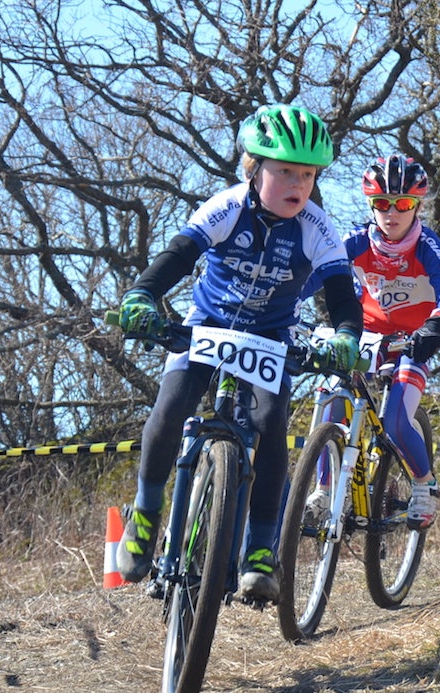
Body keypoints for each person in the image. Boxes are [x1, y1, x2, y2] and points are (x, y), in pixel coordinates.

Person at [112, 104, 363, 603]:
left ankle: (260, 549)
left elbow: (339, 293)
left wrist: (346, 337)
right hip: (206, 328)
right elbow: (177, 256)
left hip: (269, 338)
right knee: (170, 408)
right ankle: (145, 513)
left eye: (308, 174)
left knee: (271, 424)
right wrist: (142, 295)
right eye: (285, 171)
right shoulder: (227, 206)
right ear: (253, 169)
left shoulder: (317, 226)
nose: (298, 183)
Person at [312, 154, 440, 530]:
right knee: (330, 396)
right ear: (371, 205)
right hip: (366, 335)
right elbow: (311, 279)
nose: (391, 213)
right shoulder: (355, 242)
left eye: (403, 204)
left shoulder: (428, 247)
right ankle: (324, 489)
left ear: (416, 207)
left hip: (413, 340)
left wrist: (435, 327)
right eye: (381, 203)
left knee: (395, 421)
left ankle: (424, 484)